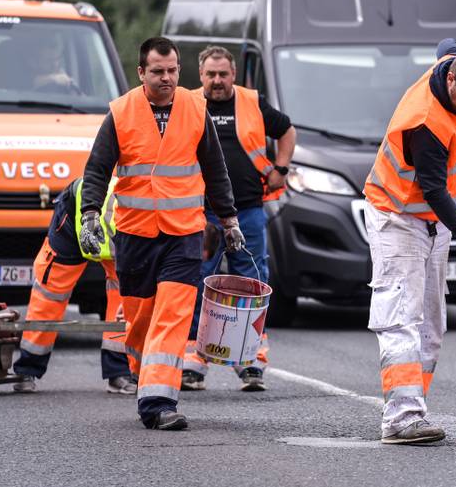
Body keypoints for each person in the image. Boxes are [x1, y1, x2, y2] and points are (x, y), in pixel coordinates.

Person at [80, 36, 243, 431]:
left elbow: (214, 169)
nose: (167, 78)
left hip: (183, 234)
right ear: (142, 73)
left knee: (172, 316)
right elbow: (97, 170)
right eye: (158, 71)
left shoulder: (195, 108)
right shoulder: (120, 113)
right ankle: (143, 372)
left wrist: (229, 220)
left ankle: (158, 402)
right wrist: (88, 216)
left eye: (172, 71)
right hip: (135, 235)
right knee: (139, 323)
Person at [363, 39, 456, 445]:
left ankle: (414, 406)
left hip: (432, 223)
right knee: (401, 317)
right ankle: (401, 419)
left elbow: (450, 44)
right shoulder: (425, 122)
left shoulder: (453, 63)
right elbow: (435, 190)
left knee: (432, 324)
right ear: (451, 79)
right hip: (397, 216)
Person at [181, 45, 296, 392]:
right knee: (197, 282)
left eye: (223, 74)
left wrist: (282, 168)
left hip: (247, 209)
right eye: (211, 75)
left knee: (253, 284)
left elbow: (287, 131)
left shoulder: (251, 101)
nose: (217, 81)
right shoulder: (187, 103)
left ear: (233, 75)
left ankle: (250, 362)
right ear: (200, 76)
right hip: (202, 213)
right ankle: (193, 362)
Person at [11, 177, 135, 395]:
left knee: (125, 298)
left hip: (117, 238)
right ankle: (27, 368)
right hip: (73, 220)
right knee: (50, 293)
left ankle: (119, 373)